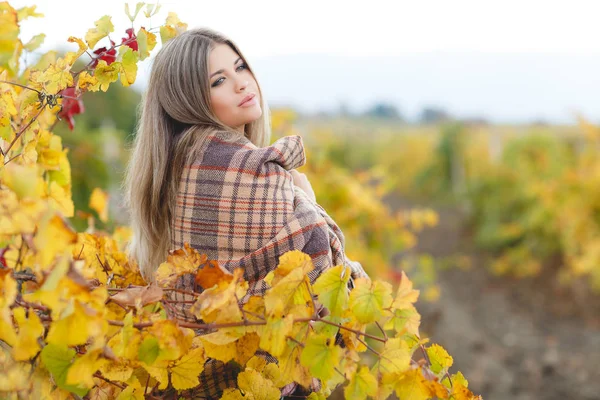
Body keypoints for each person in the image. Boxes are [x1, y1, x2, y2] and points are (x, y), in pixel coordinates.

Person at [122, 27, 369, 399]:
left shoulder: (175, 165)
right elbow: (327, 278)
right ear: (188, 99)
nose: (242, 83)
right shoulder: (247, 169)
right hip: (262, 382)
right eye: (220, 80)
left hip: (190, 380)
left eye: (240, 67)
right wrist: (309, 200)